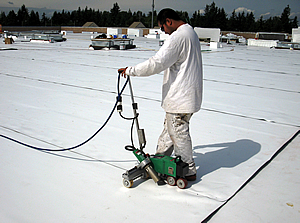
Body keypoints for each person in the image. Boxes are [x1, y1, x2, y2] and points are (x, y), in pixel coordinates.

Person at [118, 8, 203, 181]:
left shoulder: (178, 37)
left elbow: (157, 63)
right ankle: (158, 159)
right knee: (170, 130)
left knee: (178, 132)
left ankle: (188, 169)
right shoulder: (190, 32)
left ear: (169, 21)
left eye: (163, 27)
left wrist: (131, 70)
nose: (163, 31)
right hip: (188, 95)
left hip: (180, 97)